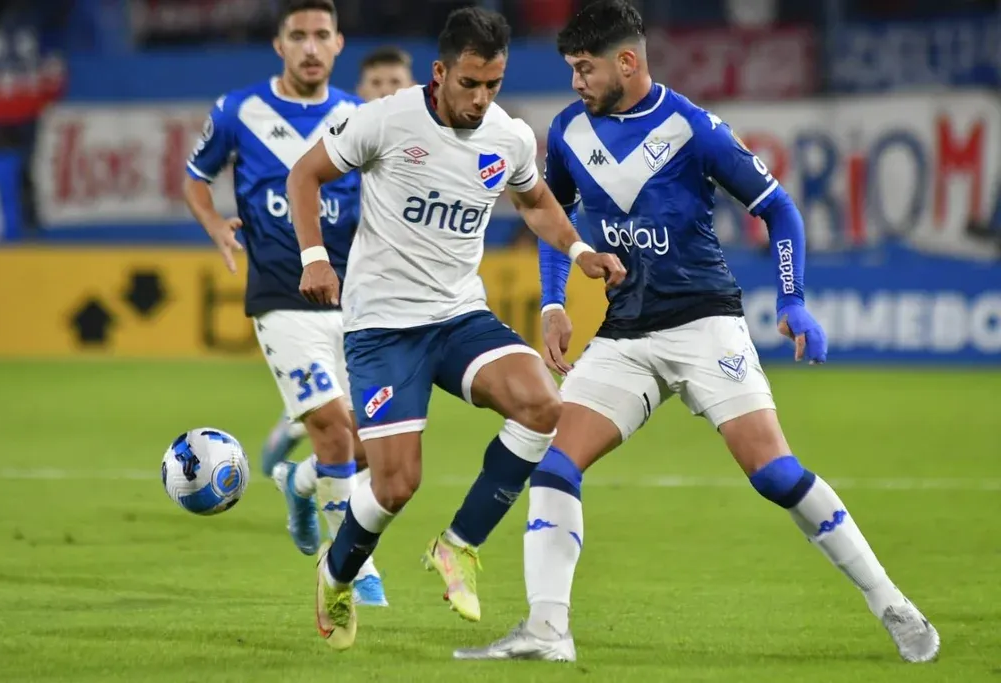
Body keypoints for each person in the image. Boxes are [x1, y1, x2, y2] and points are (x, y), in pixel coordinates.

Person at [455, 0, 939, 664]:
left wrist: (794, 300)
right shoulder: (567, 131)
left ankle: (892, 603)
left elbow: (780, 209)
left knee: (774, 474)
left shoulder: (692, 128)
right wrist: (554, 303)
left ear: (628, 62)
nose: (575, 81)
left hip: (704, 323)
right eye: (571, 68)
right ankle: (547, 631)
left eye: (586, 68)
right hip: (625, 334)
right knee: (555, 468)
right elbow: (552, 217)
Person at [286, 6, 625, 651]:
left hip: (458, 314)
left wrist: (580, 251)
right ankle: (336, 572)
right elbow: (306, 174)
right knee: (396, 484)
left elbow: (535, 202)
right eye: (470, 83)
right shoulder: (386, 120)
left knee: (543, 405)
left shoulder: (508, 136)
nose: (480, 98)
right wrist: (314, 257)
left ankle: (459, 544)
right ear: (440, 73)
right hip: (384, 326)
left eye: (493, 84)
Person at [182, 0, 386, 607]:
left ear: (339, 43)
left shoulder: (357, 116)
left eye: (321, 35)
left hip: (355, 302)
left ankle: (299, 482)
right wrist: (214, 224)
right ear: (279, 45)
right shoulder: (238, 110)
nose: (311, 47)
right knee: (332, 429)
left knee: (372, 445)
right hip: (281, 297)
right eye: (298, 35)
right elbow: (196, 176)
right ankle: (354, 568)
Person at [258, 44, 415, 498]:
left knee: (368, 426)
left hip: (381, 294)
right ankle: (315, 456)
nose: (385, 92)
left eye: (395, 83)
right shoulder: (339, 143)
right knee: (356, 426)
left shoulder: (417, 150)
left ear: (412, 88)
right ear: (358, 91)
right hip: (337, 291)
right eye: (376, 84)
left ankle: (299, 447)